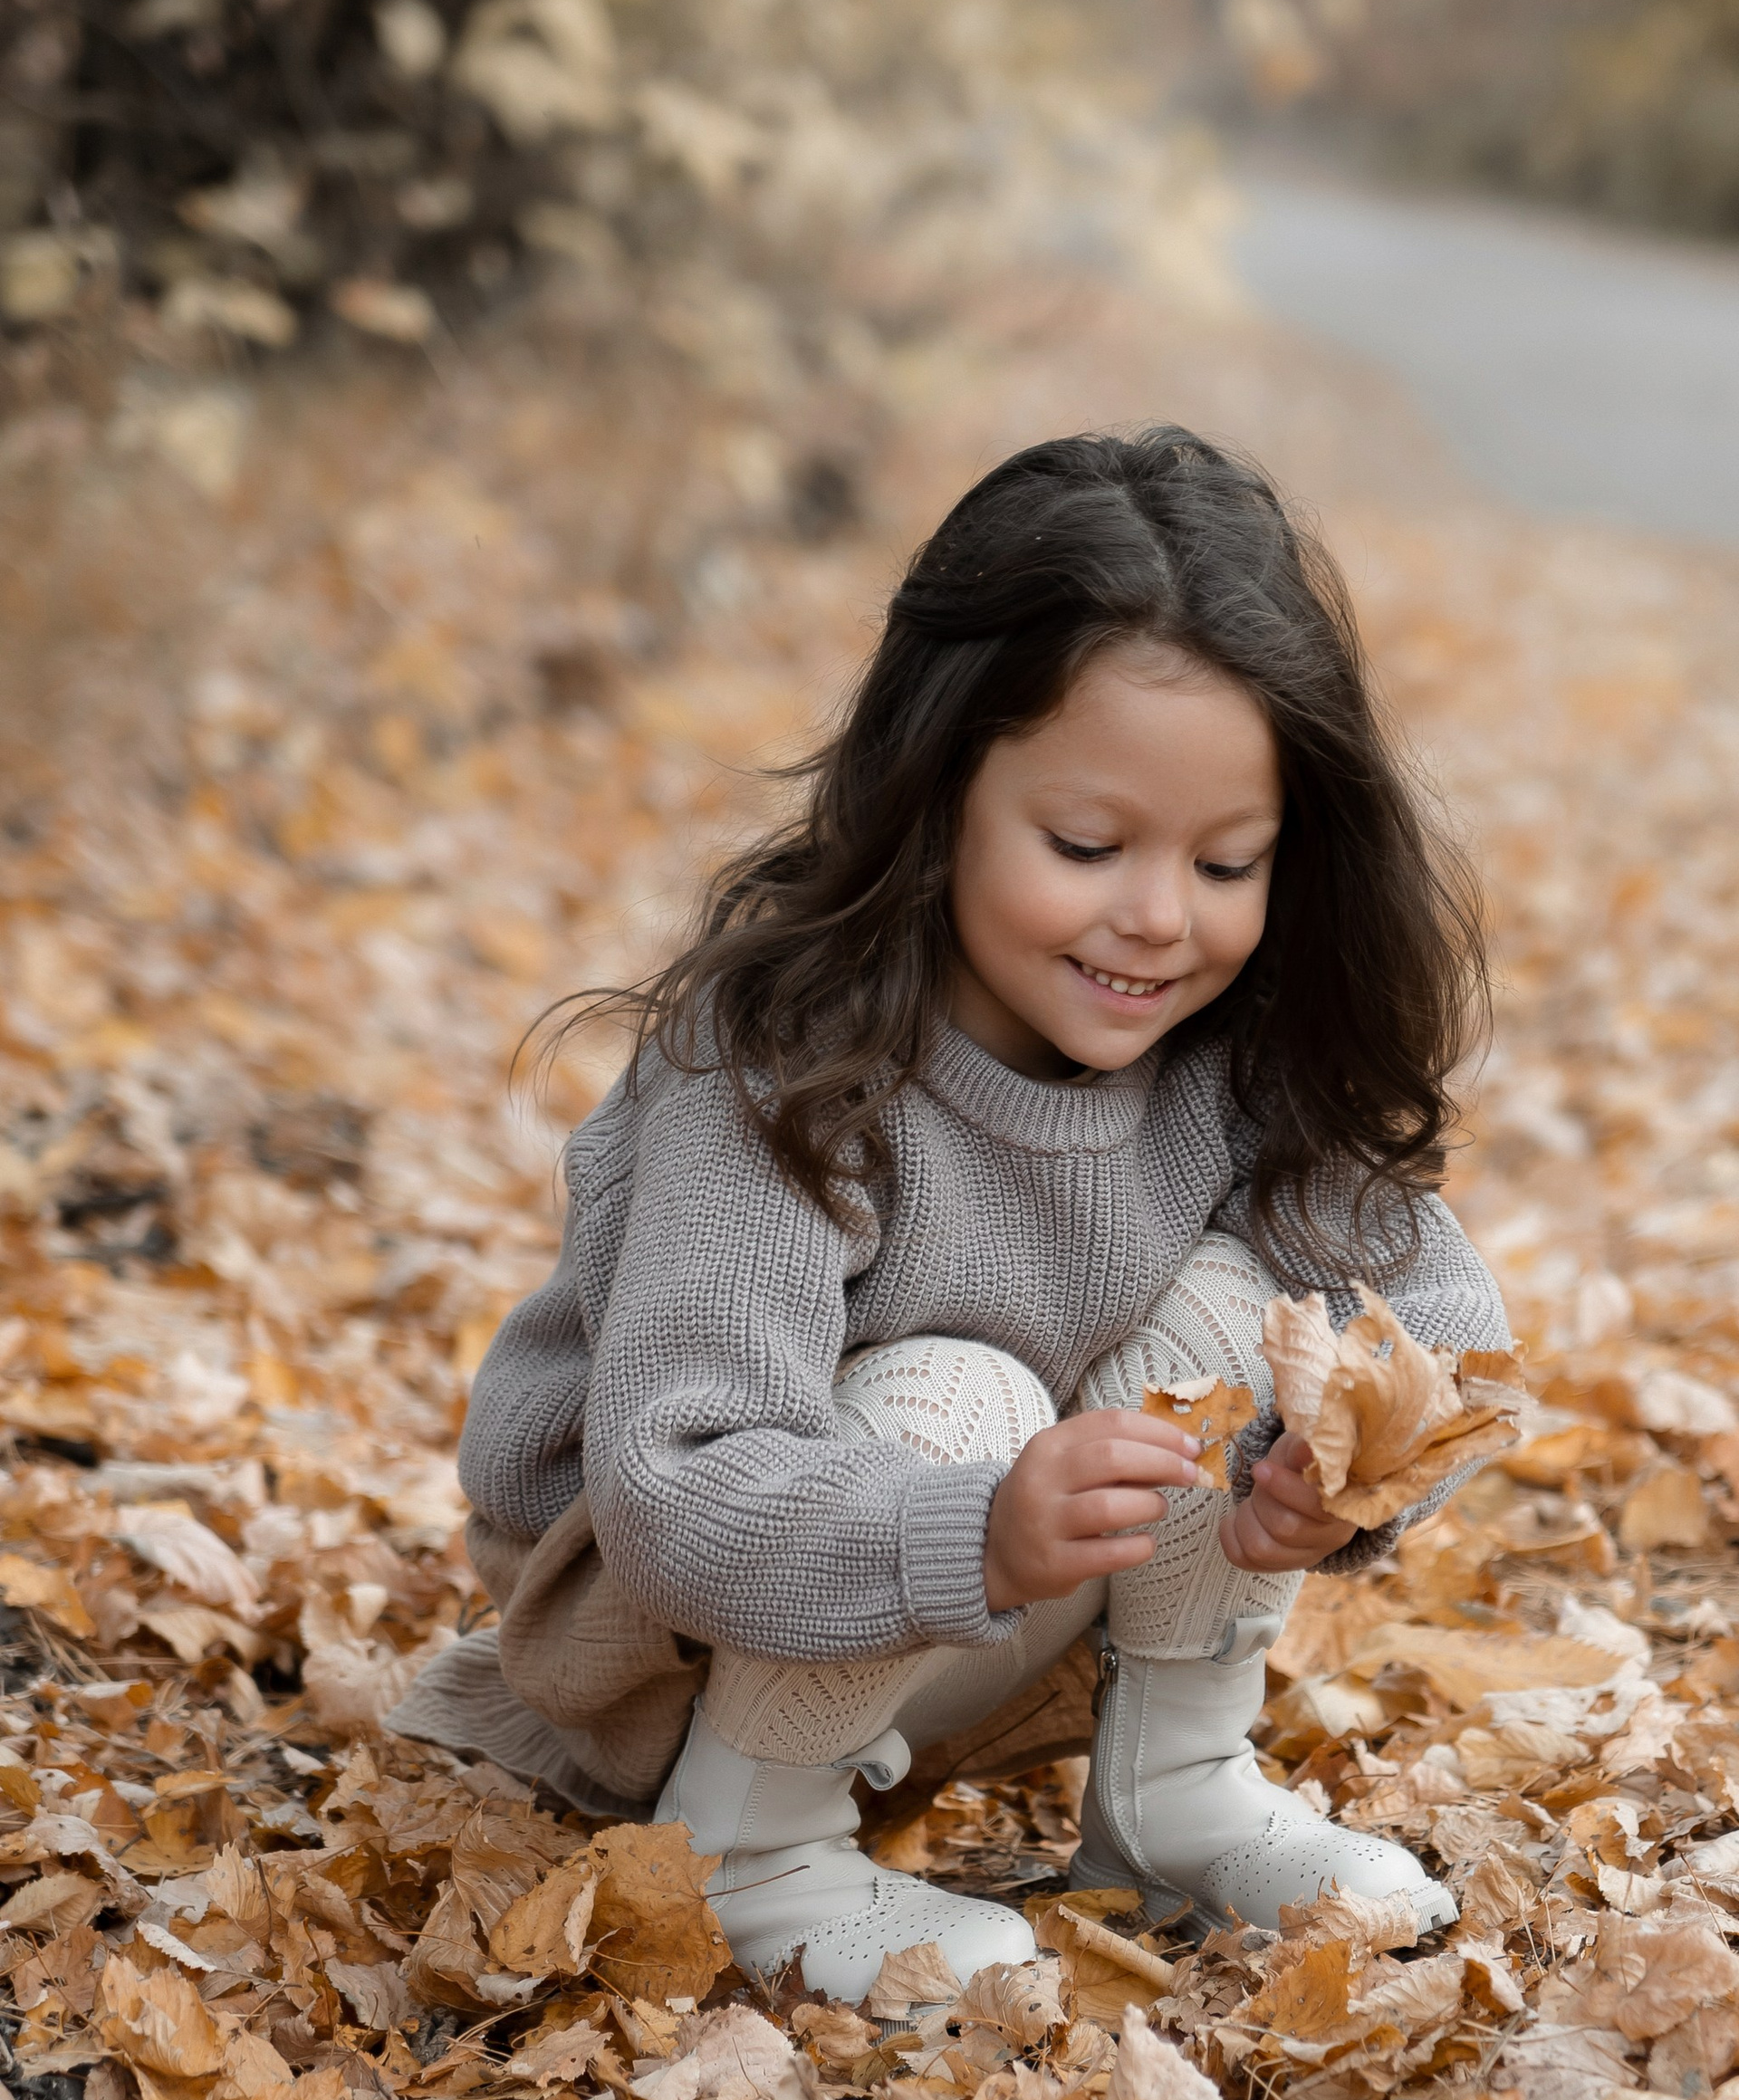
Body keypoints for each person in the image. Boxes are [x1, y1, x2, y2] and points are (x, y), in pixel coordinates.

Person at [405, 426, 1507, 2002]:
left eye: (1228, 862)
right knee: (962, 1391)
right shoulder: (790, 1062)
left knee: (1242, 1317)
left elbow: (1445, 1331)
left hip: (952, 1617)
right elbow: (671, 1488)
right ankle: (749, 1856)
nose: (1157, 917)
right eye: (1086, 846)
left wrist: (1341, 1472)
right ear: (936, 794)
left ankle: (1174, 1793)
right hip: (667, 1647)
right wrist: (972, 1523)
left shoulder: (1233, 1050)